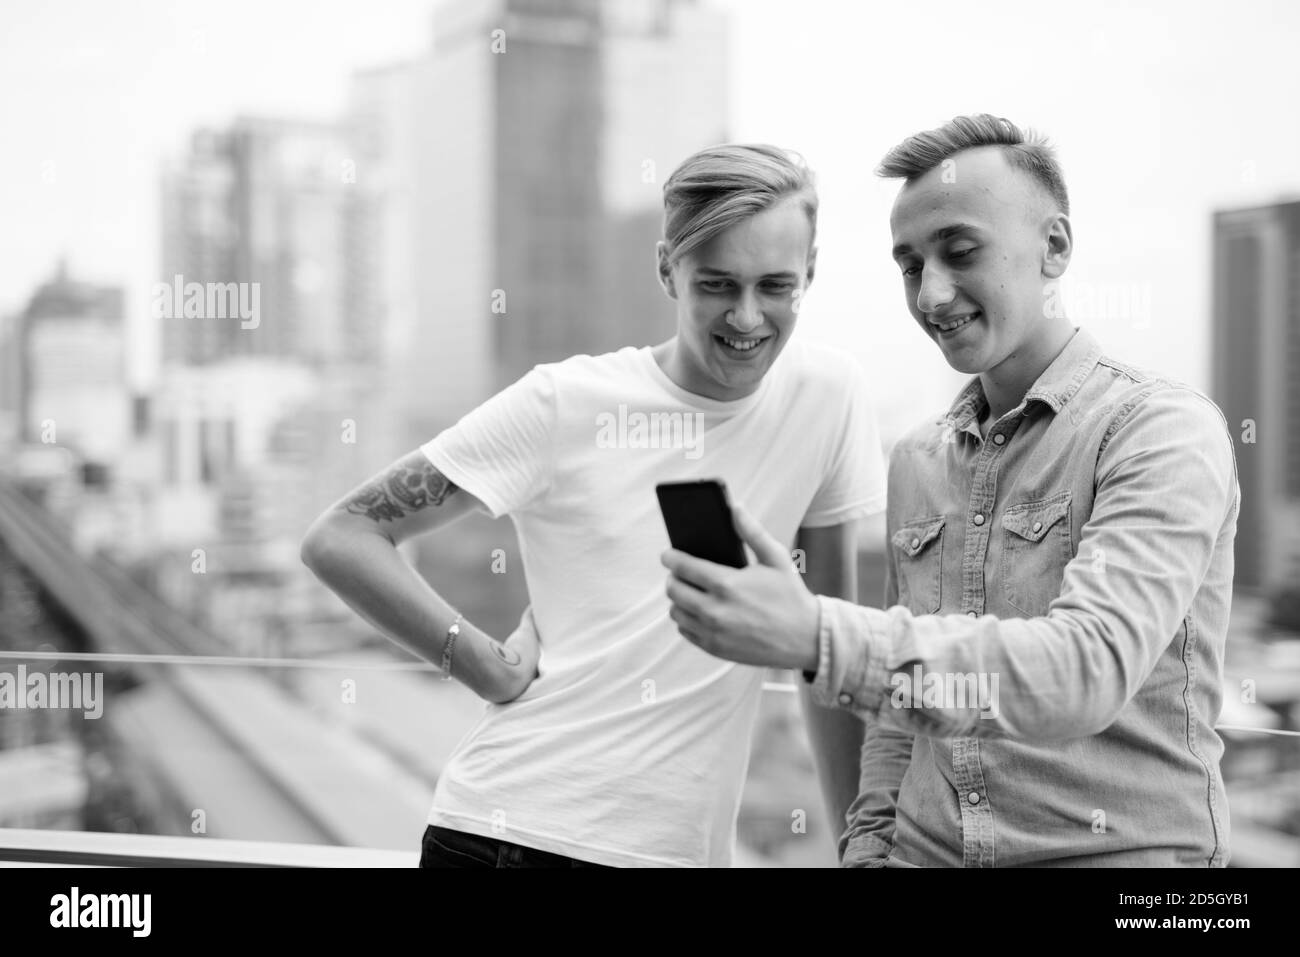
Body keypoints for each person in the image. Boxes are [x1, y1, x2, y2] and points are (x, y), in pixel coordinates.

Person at [663, 115, 1239, 867]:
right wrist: (867, 847)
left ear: (1055, 247)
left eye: (960, 252)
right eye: (909, 265)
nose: (932, 293)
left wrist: (814, 634)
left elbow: (1084, 670)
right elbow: (901, 721)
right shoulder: (917, 458)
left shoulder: (1159, 429)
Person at [300, 143, 887, 867]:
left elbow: (826, 653)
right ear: (666, 267)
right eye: (716, 283)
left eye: (775, 285)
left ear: (811, 272)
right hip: (506, 838)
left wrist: (863, 850)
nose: (747, 315)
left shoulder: (828, 398)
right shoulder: (566, 402)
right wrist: (483, 664)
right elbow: (343, 535)